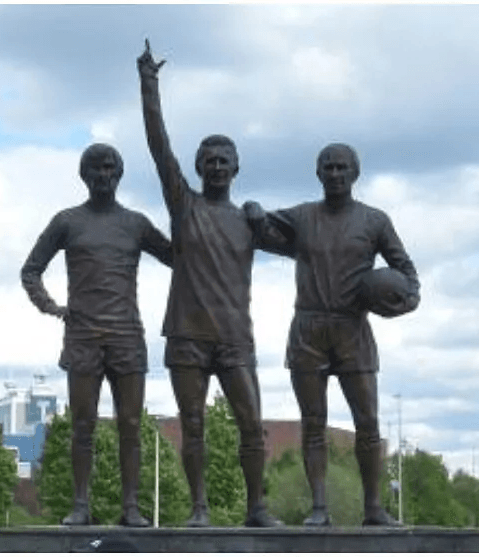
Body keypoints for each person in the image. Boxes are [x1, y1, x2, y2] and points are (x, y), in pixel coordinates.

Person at [138, 39, 281, 528]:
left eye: (225, 160)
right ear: (199, 168)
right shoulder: (185, 204)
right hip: (186, 334)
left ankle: (256, 508)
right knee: (193, 425)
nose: (217, 166)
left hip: (235, 335)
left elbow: (312, 246)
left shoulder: (251, 220)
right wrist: (149, 85)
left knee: (252, 427)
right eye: (210, 160)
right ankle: (200, 508)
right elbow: (159, 146)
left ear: (237, 168)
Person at [246, 143, 419, 527]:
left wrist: (403, 302)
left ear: (355, 173)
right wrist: (255, 215)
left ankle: (373, 507)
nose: (335, 173)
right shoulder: (303, 217)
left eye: (342, 167)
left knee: (368, 423)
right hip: (308, 330)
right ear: (318, 173)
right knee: (313, 422)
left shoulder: (375, 221)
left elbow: (408, 275)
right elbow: (263, 230)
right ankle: (319, 508)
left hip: (352, 328)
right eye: (328, 167)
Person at [21, 143, 173, 527]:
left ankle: (131, 508)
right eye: (96, 168)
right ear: (84, 175)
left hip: (126, 335)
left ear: (119, 174)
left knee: (131, 425)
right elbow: (31, 269)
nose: (103, 175)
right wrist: (50, 306)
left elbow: (178, 257)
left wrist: (193, 224)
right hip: (83, 336)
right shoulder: (67, 222)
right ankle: (81, 505)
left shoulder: (136, 223)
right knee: (83, 423)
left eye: (110, 167)